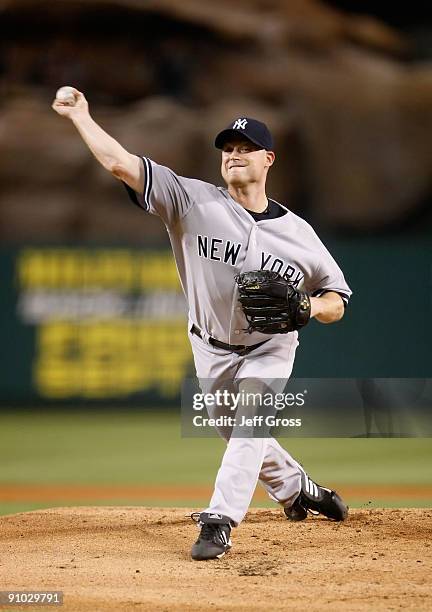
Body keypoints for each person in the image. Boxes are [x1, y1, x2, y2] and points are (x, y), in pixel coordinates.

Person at [53, 90, 352, 561]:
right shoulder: (190, 200)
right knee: (234, 433)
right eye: (228, 149)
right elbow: (120, 164)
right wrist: (82, 117)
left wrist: (308, 307)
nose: (234, 155)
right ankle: (299, 489)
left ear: (268, 158)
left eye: (245, 148)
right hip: (208, 346)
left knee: (250, 425)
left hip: (270, 347)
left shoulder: (300, 234)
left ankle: (220, 521)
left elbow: (337, 301)